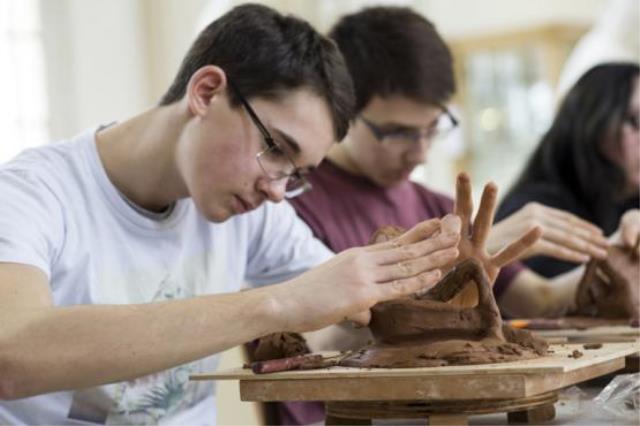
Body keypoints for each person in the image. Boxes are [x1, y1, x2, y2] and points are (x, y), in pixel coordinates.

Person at [0, 5, 471, 424]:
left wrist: (440, 289)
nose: (276, 189)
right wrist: (278, 304)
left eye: (297, 173)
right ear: (205, 92)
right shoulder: (32, 194)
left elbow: (346, 325)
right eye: (275, 148)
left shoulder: (254, 211)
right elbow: (10, 354)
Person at [253, 6, 611, 425]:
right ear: (341, 112)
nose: (421, 151)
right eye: (399, 132)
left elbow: (541, 299)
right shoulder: (284, 201)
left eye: (433, 127)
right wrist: (439, 271)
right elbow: (306, 340)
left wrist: (614, 260)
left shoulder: (437, 206)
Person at [498, 62, 640, 278]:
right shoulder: (536, 210)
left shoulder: (628, 198)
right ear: (592, 124)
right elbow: (552, 302)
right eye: (636, 120)